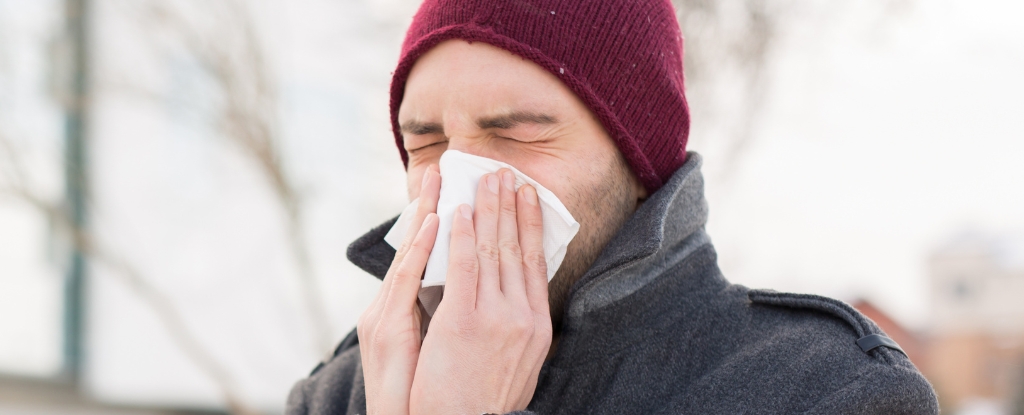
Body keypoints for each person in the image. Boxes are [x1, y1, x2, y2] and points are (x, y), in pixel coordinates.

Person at [286, 0, 939, 413]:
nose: (460, 176)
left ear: (636, 162)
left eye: (515, 132)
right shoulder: (339, 396)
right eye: (425, 142)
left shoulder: (822, 391)